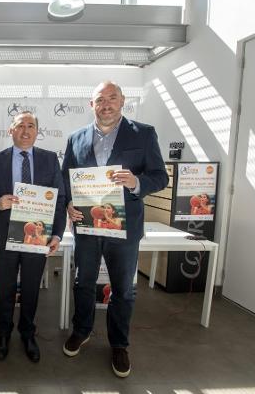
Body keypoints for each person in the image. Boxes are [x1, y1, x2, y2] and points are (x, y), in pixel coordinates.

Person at [61, 81, 168, 377]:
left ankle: (119, 344)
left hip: (125, 229)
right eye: (100, 100)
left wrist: (136, 183)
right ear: (91, 105)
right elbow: (66, 179)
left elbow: (160, 177)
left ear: (122, 102)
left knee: (123, 290)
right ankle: (81, 330)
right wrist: (68, 203)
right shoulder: (75, 138)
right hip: (87, 226)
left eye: (112, 98)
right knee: (83, 283)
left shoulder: (143, 134)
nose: (106, 104)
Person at [0, 111, 66, 363]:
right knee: (5, 290)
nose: (26, 131)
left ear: (37, 132)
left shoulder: (50, 160)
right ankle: (4, 334)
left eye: (31, 126)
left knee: (31, 290)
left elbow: (59, 200)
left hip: (37, 239)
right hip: (4, 237)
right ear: (11, 130)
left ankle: (28, 334)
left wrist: (57, 235)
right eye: (20, 126)